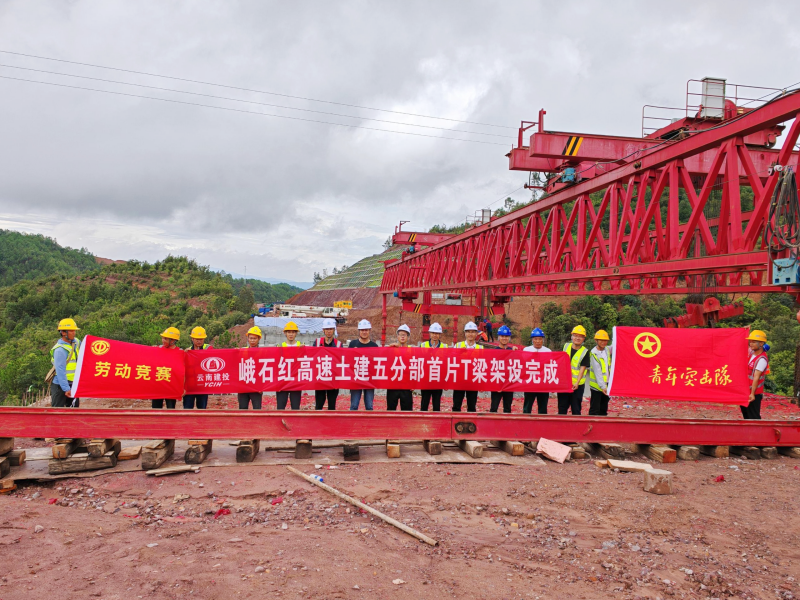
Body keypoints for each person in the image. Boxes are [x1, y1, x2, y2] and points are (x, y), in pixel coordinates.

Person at [557, 325, 590, 415]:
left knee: (576, 409)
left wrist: (577, 382)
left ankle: (576, 428)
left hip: (577, 386)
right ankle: (561, 427)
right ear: (571, 337)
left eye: (580, 336)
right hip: (564, 384)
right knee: (562, 408)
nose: (577, 338)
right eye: (575, 336)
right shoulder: (565, 346)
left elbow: (583, 368)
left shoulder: (585, 352)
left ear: (584, 339)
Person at [50, 318, 81, 408]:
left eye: (74, 330)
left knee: (74, 412)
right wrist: (66, 388)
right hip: (61, 386)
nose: (74, 333)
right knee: (57, 412)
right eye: (71, 331)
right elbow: (60, 371)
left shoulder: (77, 342)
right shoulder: (60, 350)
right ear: (63, 333)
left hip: (73, 384)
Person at [452, 321, 483, 412]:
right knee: (456, 405)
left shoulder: (480, 348)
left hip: (473, 380)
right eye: (468, 331)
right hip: (460, 380)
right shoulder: (458, 346)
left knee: (472, 406)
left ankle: (471, 425)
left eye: (473, 332)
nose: (470, 334)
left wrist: (481, 383)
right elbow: (451, 362)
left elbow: (483, 366)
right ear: (465, 333)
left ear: (476, 334)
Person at [349, 319, 379, 410]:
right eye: (362, 330)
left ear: (369, 331)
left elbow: (377, 362)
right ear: (359, 331)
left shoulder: (374, 346)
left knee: (369, 406)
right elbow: (348, 361)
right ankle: (352, 423)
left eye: (366, 330)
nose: (364, 332)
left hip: (369, 380)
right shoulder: (353, 344)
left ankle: (369, 424)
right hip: (356, 379)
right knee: (354, 405)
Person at [313, 318, 341, 410]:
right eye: (327, 329)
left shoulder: (338, 344)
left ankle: (331, 424)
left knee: (332, 405)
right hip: (320, 378)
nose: (329, 331)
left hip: (333, 379)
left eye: (331, 329)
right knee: (319, 404)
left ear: (334, 330)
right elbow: (311, 357)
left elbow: (341, 360)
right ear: (323, 330)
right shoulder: (317, 342)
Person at [420, 322, 447, 411]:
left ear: (440, 335)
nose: (435, 335)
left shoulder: (444, 347)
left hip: (438, 380)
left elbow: (446, 364)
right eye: (433, 333)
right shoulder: (423, 345)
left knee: (436, 405)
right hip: (426, 380)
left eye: (437, 333)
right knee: (424, 404)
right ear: (430, 333)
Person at [152, 327, 182, 409]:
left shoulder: (180, 353)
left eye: (165, 339)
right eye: (162, 338)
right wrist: (151, 351)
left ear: (172, 341)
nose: (163, 340)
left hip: (171, 386)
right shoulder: (158, 349)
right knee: (155, 409)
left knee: (171, 409)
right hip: (158, 384)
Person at [522, 328, 551, 414]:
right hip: (530, 383)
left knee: (543, 406)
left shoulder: (548, 351)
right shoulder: (526, 350)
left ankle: (542, 425)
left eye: (540, 339)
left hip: (543, 384)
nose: (538, 341)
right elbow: (523, 365)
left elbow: (550, 367)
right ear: (532, 340)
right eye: (535, 339)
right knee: (527, 405)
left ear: (543, 340)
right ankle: (525, 422)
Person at [386, 324, 414, 411]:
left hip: (406, 386)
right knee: (391, 410)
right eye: (400, 334)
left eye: (404, 335)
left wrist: (413, 383)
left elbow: (414, 367)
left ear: (408, 337)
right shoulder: (391, 349)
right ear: (397, 336)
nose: (402, 337)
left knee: (407, 411)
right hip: (393, 385)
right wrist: (389, 349)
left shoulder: (412, 350)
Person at [276, 321, 303, 410]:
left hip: (296, 381)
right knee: (280, 407)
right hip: (283, 381)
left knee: (295, 408)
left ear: (296, 333)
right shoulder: (280, 347)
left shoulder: (301, 346)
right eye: (288, 332)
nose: (291, 334)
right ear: (285, 333)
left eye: (293, 332)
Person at [184, 326, 212, 409]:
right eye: (197, 339)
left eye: (201, 339)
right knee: (187, 409)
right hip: (190, 385)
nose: (199, 341)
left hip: (202, 385)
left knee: (202, 409)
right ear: (192, 339)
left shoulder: (208, 348)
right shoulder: (188, 351)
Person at [743, 330, 769, 420]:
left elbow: (756, 377)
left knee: (753, 417)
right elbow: (744, 344)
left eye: (754, 342)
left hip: (754, 393)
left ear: (761, 343)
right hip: (746, 391)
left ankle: (758, 434)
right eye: (750, 341)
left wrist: (752, 394)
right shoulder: (752, 354)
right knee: (746, 416)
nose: (751, 344)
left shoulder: (761, 359)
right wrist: (745, 330)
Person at [489, 325, 515, 413]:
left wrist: (516, 352)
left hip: (508, 384)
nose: (504, 338)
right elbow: (490, 368)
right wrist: (495, 385)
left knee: (507, 409)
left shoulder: (513, 351)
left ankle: (506, 426)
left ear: (509, 338)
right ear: (499, 338)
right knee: (494, 408)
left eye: (506, 336)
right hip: (497, 383)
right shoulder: (494, 352)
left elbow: (520, 364)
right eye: (502, 336)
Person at [238, 326, 264, 410]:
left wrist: (262, 386)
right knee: (242, 409)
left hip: (256, 387)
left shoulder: (263, 353)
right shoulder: (242, 351)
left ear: (259, 339)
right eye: (251, 338)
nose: (252, 340)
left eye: (255, 338)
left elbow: (264, 370)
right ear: (248, 338)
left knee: (257, 410)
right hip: (243, 386)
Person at [588, 330, 612, 416]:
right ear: (596, 341)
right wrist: (603, 387)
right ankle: (591, 426)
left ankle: (602, 427)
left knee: (603, 408)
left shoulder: (607, 350)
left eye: (605, 340)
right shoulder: (594, 353)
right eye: (601, 340)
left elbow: (615, 345)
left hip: (606, 384)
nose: (603, 342)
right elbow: (597, 372)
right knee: (595, 408)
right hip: (597, 387)